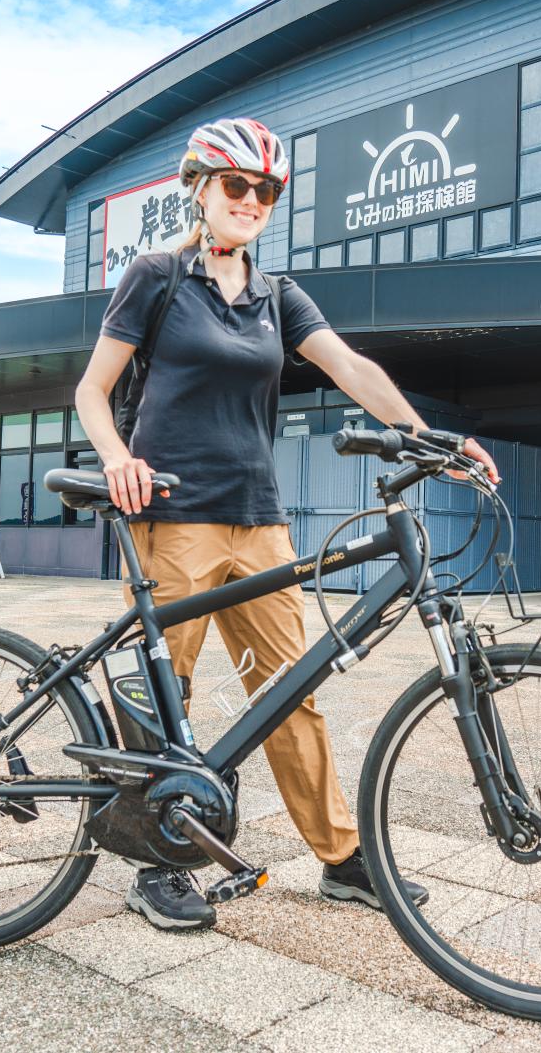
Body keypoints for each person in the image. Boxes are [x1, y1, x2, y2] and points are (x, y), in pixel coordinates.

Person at [75, 117, 500, 932]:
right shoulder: (156, 277)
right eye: (236, 185)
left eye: (265, 191)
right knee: (171, 697)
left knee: (291, 693)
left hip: (260, 522)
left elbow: (348, 366)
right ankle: (157, 862)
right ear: (199, 188)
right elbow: (93, 390)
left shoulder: (278, 296)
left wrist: (427, 436)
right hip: (175, 517)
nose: (251, 201)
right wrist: (116, 456)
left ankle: (342, 860)